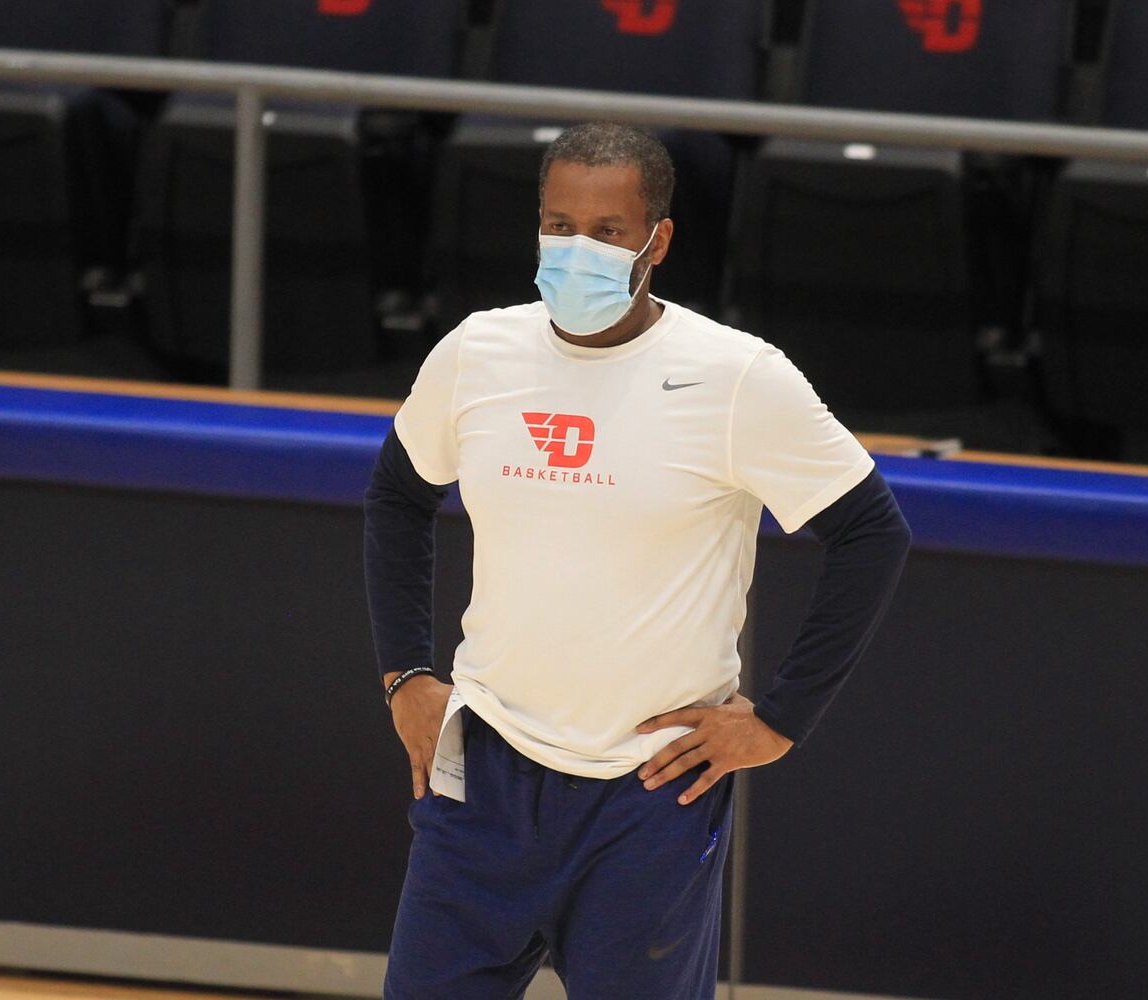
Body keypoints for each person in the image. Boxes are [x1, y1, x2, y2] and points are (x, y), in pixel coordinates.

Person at [364, 122, 911, 999]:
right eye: (558, 226)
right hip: (484, 775)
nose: (576, 249)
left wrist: (780, 720)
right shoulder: (476, 352)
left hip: (650, 795)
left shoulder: (737, 377)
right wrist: (404, 675)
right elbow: (398, 496)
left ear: (657, 241)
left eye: (606, 231)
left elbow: (873, 534)